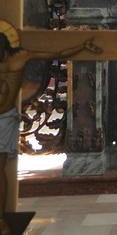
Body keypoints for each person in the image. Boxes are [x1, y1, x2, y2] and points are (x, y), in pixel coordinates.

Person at [0, 21, 102, 235]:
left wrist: (81, 45)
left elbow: (57, 52)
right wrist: (81, 45)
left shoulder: (20, 57)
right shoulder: (20, 57)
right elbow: (58, 52)